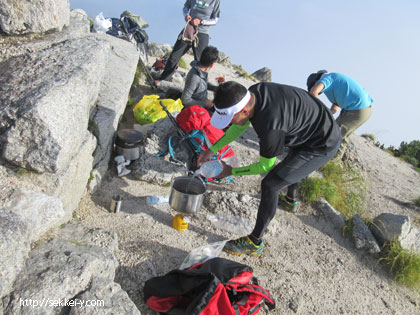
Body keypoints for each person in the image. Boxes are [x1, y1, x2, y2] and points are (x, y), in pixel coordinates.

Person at [197, 81, 342, 257]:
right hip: (309, 127)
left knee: (271, 184)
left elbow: (264, 166)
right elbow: (239, 125)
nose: (228, 123)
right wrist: (211, 150)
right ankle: (290, 200)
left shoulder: (271, 126)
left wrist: (230, 171)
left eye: (229, 118)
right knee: (290, 164)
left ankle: (254, 242)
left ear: (244, 111)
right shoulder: (253, 93)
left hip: (322, 144)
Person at [307, 70, 373, 161]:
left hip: (358, 109)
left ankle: (332, 161)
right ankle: (331, 160)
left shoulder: (327, 78)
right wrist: (328, 113)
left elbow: (313, 92)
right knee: (337, 131)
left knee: (336, 134)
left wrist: (319, 111)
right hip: (358, 109)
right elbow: (336, 106)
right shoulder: (335, 81)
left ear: (316, 81)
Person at [159, 0, 221, 82]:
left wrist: (201, 22)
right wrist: (186, 15)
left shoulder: (215, 1)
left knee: (201, 63)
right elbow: (185, 7)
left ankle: (199, 88)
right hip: (188, 30)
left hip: (202, 33)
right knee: (173, 57)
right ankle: (163, 81)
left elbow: (215, 20)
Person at [181, 46, 219, 110]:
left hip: (203, 102)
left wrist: (216, 88)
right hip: (196, 110)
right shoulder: (194, 77)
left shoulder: (202, 70)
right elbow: (185, 100)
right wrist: (204, 103)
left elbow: (204, 84)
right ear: (212, 65)